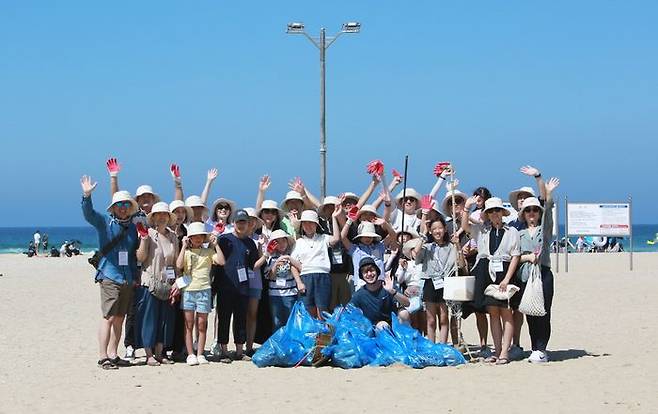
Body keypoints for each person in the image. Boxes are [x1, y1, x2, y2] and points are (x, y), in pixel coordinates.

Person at [80, 175, 139, 370]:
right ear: (113, 207)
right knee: (108, 316)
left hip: (127, 278)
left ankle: (114, 354)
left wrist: (134, 277)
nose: (123, 208)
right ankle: (102, 356)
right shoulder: (105, 222)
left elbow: (131, 256)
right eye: (119, 204)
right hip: (109, 275)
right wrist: (86, 196)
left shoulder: (132, 229)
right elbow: (89, 215)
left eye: (126, 205)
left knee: (120, 317)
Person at [462, 196, 521, 365]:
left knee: (506, 312)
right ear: (487, 214)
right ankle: (496, 349)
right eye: (491, 211)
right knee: (493, 312)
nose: (494, 214)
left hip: (505, 271)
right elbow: (465, 227)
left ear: (502, 212)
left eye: (497, 210)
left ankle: (505, 351)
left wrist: (508, 279)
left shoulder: (512, 232)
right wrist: (467, 208)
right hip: (486, 270)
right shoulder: (483, 230)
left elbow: (515, 256)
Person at [515, 178, 559, 363]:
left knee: (544, 311)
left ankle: (542, 348)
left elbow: (548, 209)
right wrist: (527, 257)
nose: (532, 213)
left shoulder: (544, 229)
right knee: (530, 311)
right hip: (525, 275)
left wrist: (544, 187)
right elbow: (514, 256)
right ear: (523, 214)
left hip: (543, 273)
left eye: (534, 210)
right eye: (528, 210)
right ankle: (535, 347)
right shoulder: (518, 234)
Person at [134, 202, 179, 366]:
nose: (161, 217)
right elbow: (140, 257)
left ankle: (160, 353)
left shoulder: (173, 236)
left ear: (169, 217)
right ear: (152, 217)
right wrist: (144, 239)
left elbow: (175, 262)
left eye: (164, 214)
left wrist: (176, 283)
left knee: (164, 320)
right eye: (158, 214)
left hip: (167, 282)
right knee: (149, 319)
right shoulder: (148, 233)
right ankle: (149, 354)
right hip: (150, 281)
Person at [175, 222, 226, 366]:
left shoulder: (209, 252)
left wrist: (216, 245)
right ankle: (190, 354)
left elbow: (222, 261)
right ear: (190, 238)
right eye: (194, 236)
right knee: (189, 324)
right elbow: (178, 266)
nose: (197, 238)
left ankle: (200, 353)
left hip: (204, 290)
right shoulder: (186, 252)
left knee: (202, 324)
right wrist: (184, 246)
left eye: (200, 236)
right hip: (189, 291)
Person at [215, 210, 260, 361]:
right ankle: (224, 351)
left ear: (248, 224)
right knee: (224, 318)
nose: (241, 224)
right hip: (225, 285)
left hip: (243, 286)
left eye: (244, 222)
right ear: (233, 222)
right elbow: (215, 261)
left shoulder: (250, 243)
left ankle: (240, 351)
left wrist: (266, 255)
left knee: (241, 318)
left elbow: (253, 265)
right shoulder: (223, 240)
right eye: (239, 221)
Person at [413, 217, 460, 344]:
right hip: (430, 282)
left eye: (440, 228)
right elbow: (415, 254)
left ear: (445, 229)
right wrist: (422, 237)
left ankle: (443, 346)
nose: (437, 231)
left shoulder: (451, 246)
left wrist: (458, 244)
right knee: (431, 319)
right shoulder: (427, 247)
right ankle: (431, 346)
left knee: (444, 318)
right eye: (434, 229)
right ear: (430, 231)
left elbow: (460, 263)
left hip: (446, 283)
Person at [290, 209, 342, 319]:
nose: (308, 226)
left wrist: (334, 217)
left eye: (311, 223)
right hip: (306, 276)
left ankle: (323, 335)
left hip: (323, 276)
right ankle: (312, 335)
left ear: (316, 224)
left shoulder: (323, 238)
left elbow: (336, 238)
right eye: (305, 223)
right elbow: (293, 265)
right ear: (302, 225)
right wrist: (299, 282)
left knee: (322, 310)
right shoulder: (299, 242)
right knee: (308, 310)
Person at [349, 257, 410, 330]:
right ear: (362, 276)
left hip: (391, 327)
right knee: (382, 326)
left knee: (404, 313)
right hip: (372, 330)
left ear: (377, 272)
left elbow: (407, 303)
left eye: (372, 270)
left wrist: (392, 291)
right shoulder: (358, 295)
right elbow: (349, 312)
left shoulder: (387, 286)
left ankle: (405, 340)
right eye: (365, 272)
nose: (369, 274)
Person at [263, 230, 305, 329]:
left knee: (291, 322)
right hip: (275, 294)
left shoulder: (292, 255)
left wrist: (289, 259)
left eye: (283, 241)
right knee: (277, 322)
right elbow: (269, 276)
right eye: (278, 242)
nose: (281, 244)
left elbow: (301, 268)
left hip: (290, 293)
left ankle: (290, 344)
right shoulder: (270, 257)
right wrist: (276, 264)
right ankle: (278, 344)